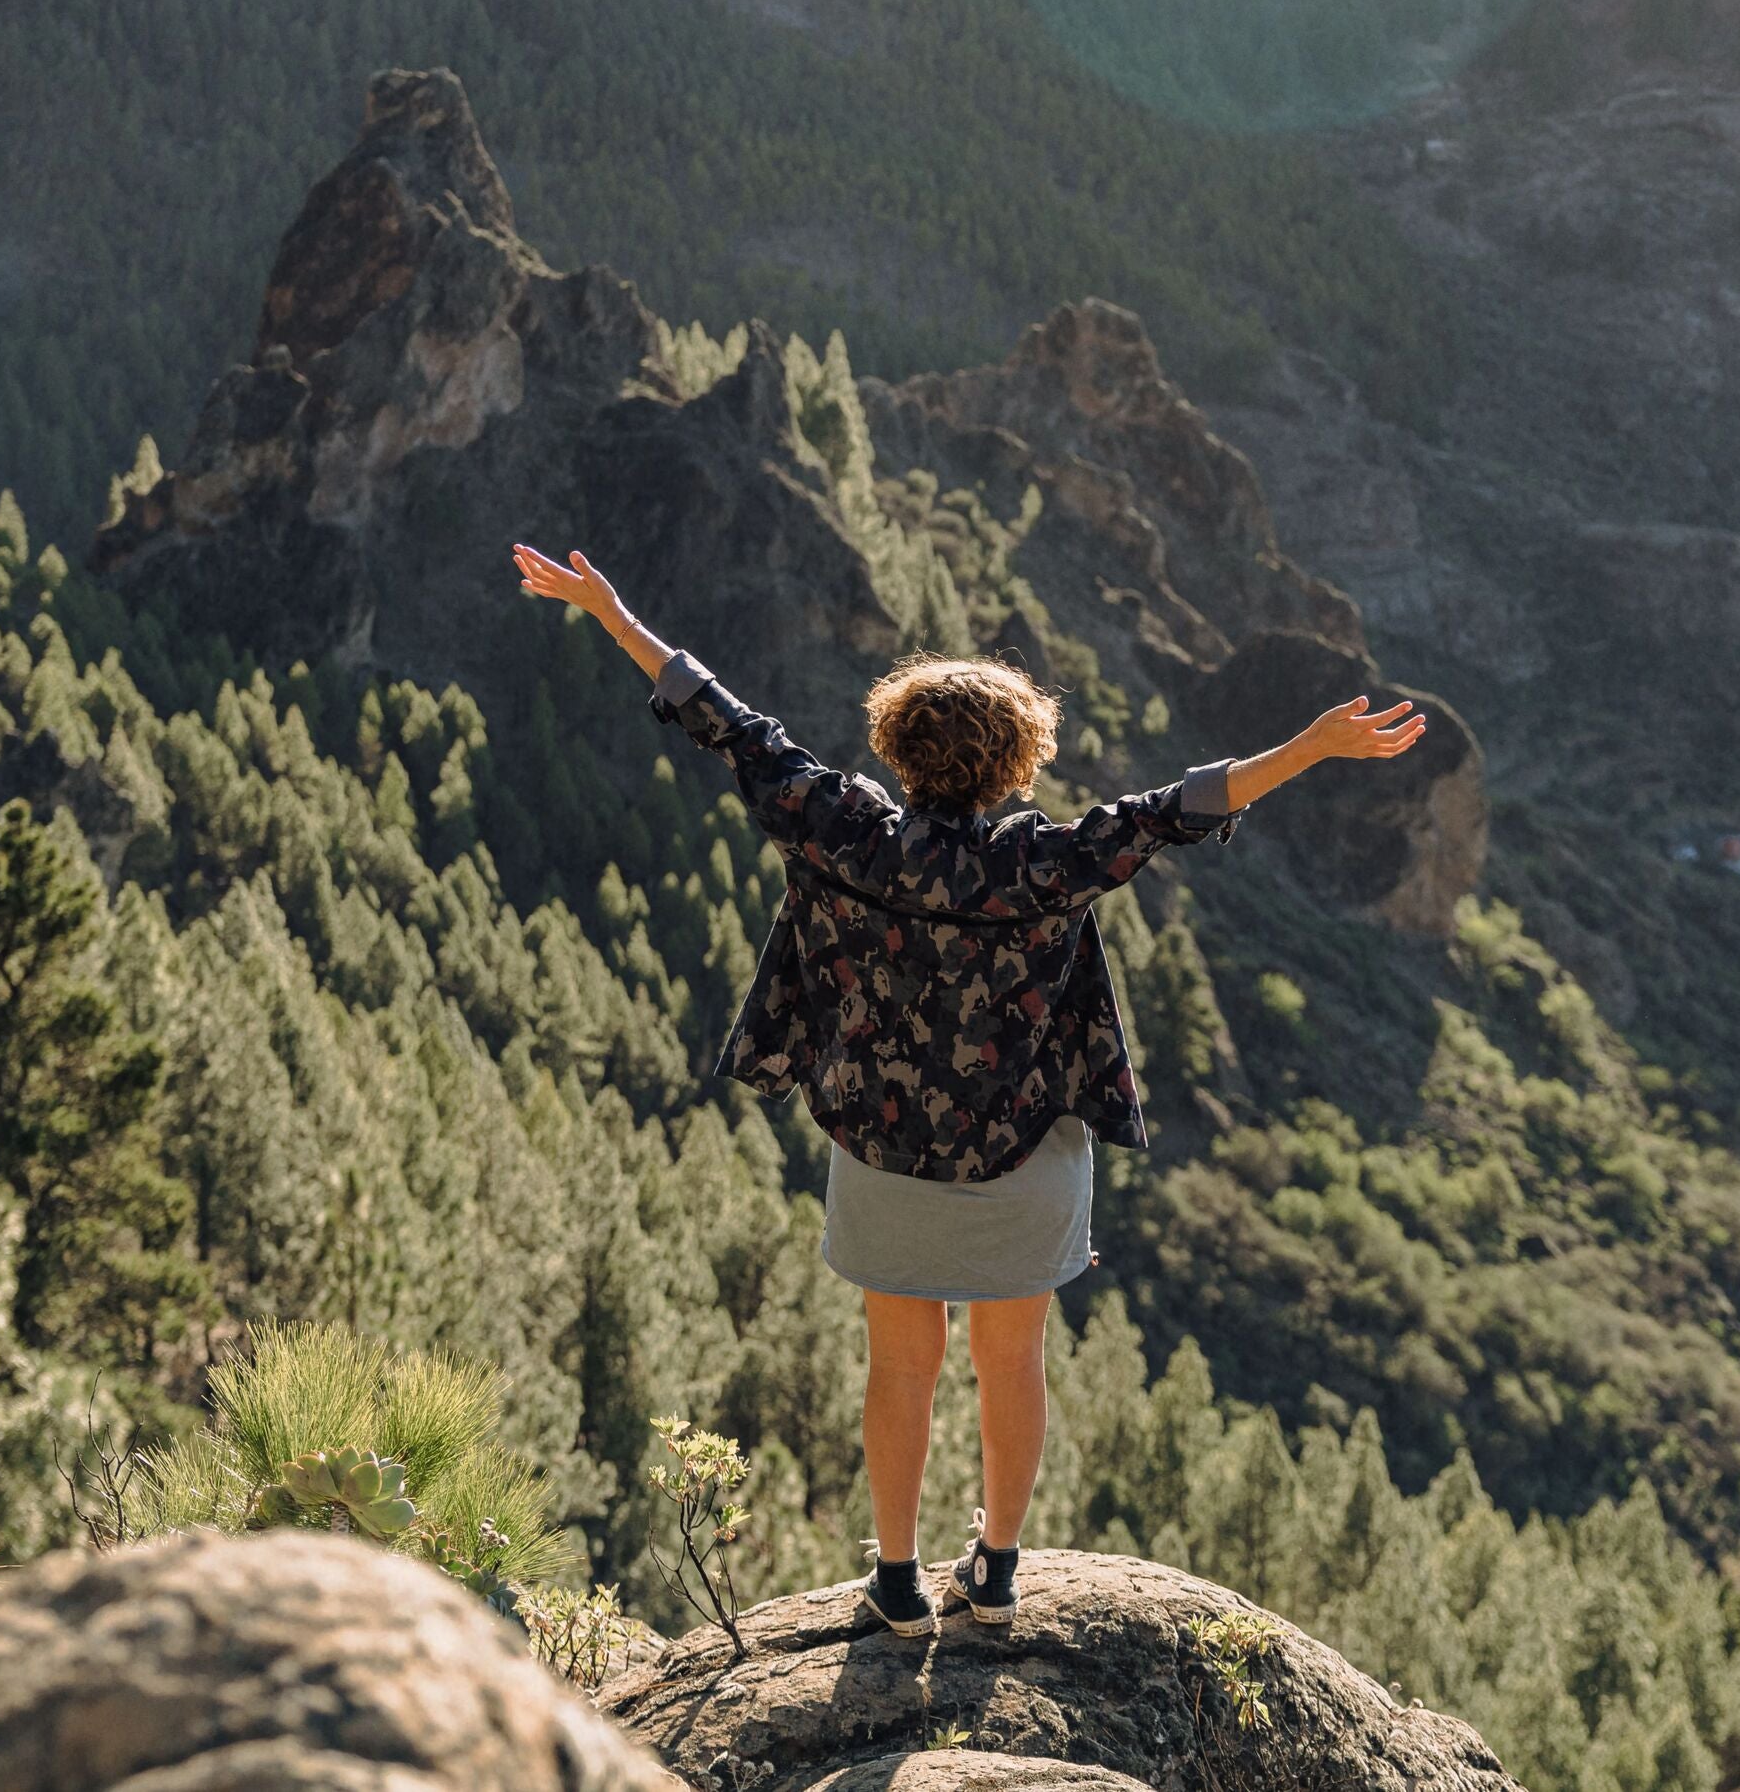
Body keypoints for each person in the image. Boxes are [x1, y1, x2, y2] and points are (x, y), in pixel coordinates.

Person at [511, 540, 1426, 1637]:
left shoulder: (839, 829)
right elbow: (1177, 807)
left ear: (897, 748)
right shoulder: (1042, 862)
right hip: (1023, 1154)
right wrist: (1313, 746)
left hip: (880, 1147)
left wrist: (611, 609)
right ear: (1015, 763)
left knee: (898, 1367)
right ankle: (994, 1572)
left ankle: (894, 1579)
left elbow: (723, 720)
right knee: (1011, 1362)